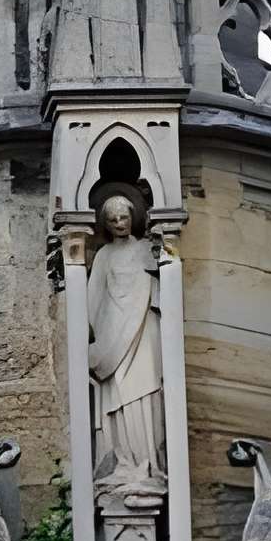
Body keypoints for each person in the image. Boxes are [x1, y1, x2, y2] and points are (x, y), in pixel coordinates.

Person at [86, 193, 165, 500]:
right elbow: (93, 301)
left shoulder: (147, 249)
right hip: (113, 337)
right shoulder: (104, 255)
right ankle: (124, 463)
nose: (119, 223)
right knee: (119, 398)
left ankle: (147, 464)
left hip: (144, 332)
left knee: (145, 393)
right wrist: (101, 336)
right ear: (105, 224)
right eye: (113, 219)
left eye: (124, 217)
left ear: (134, 217)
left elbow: (162, 288)